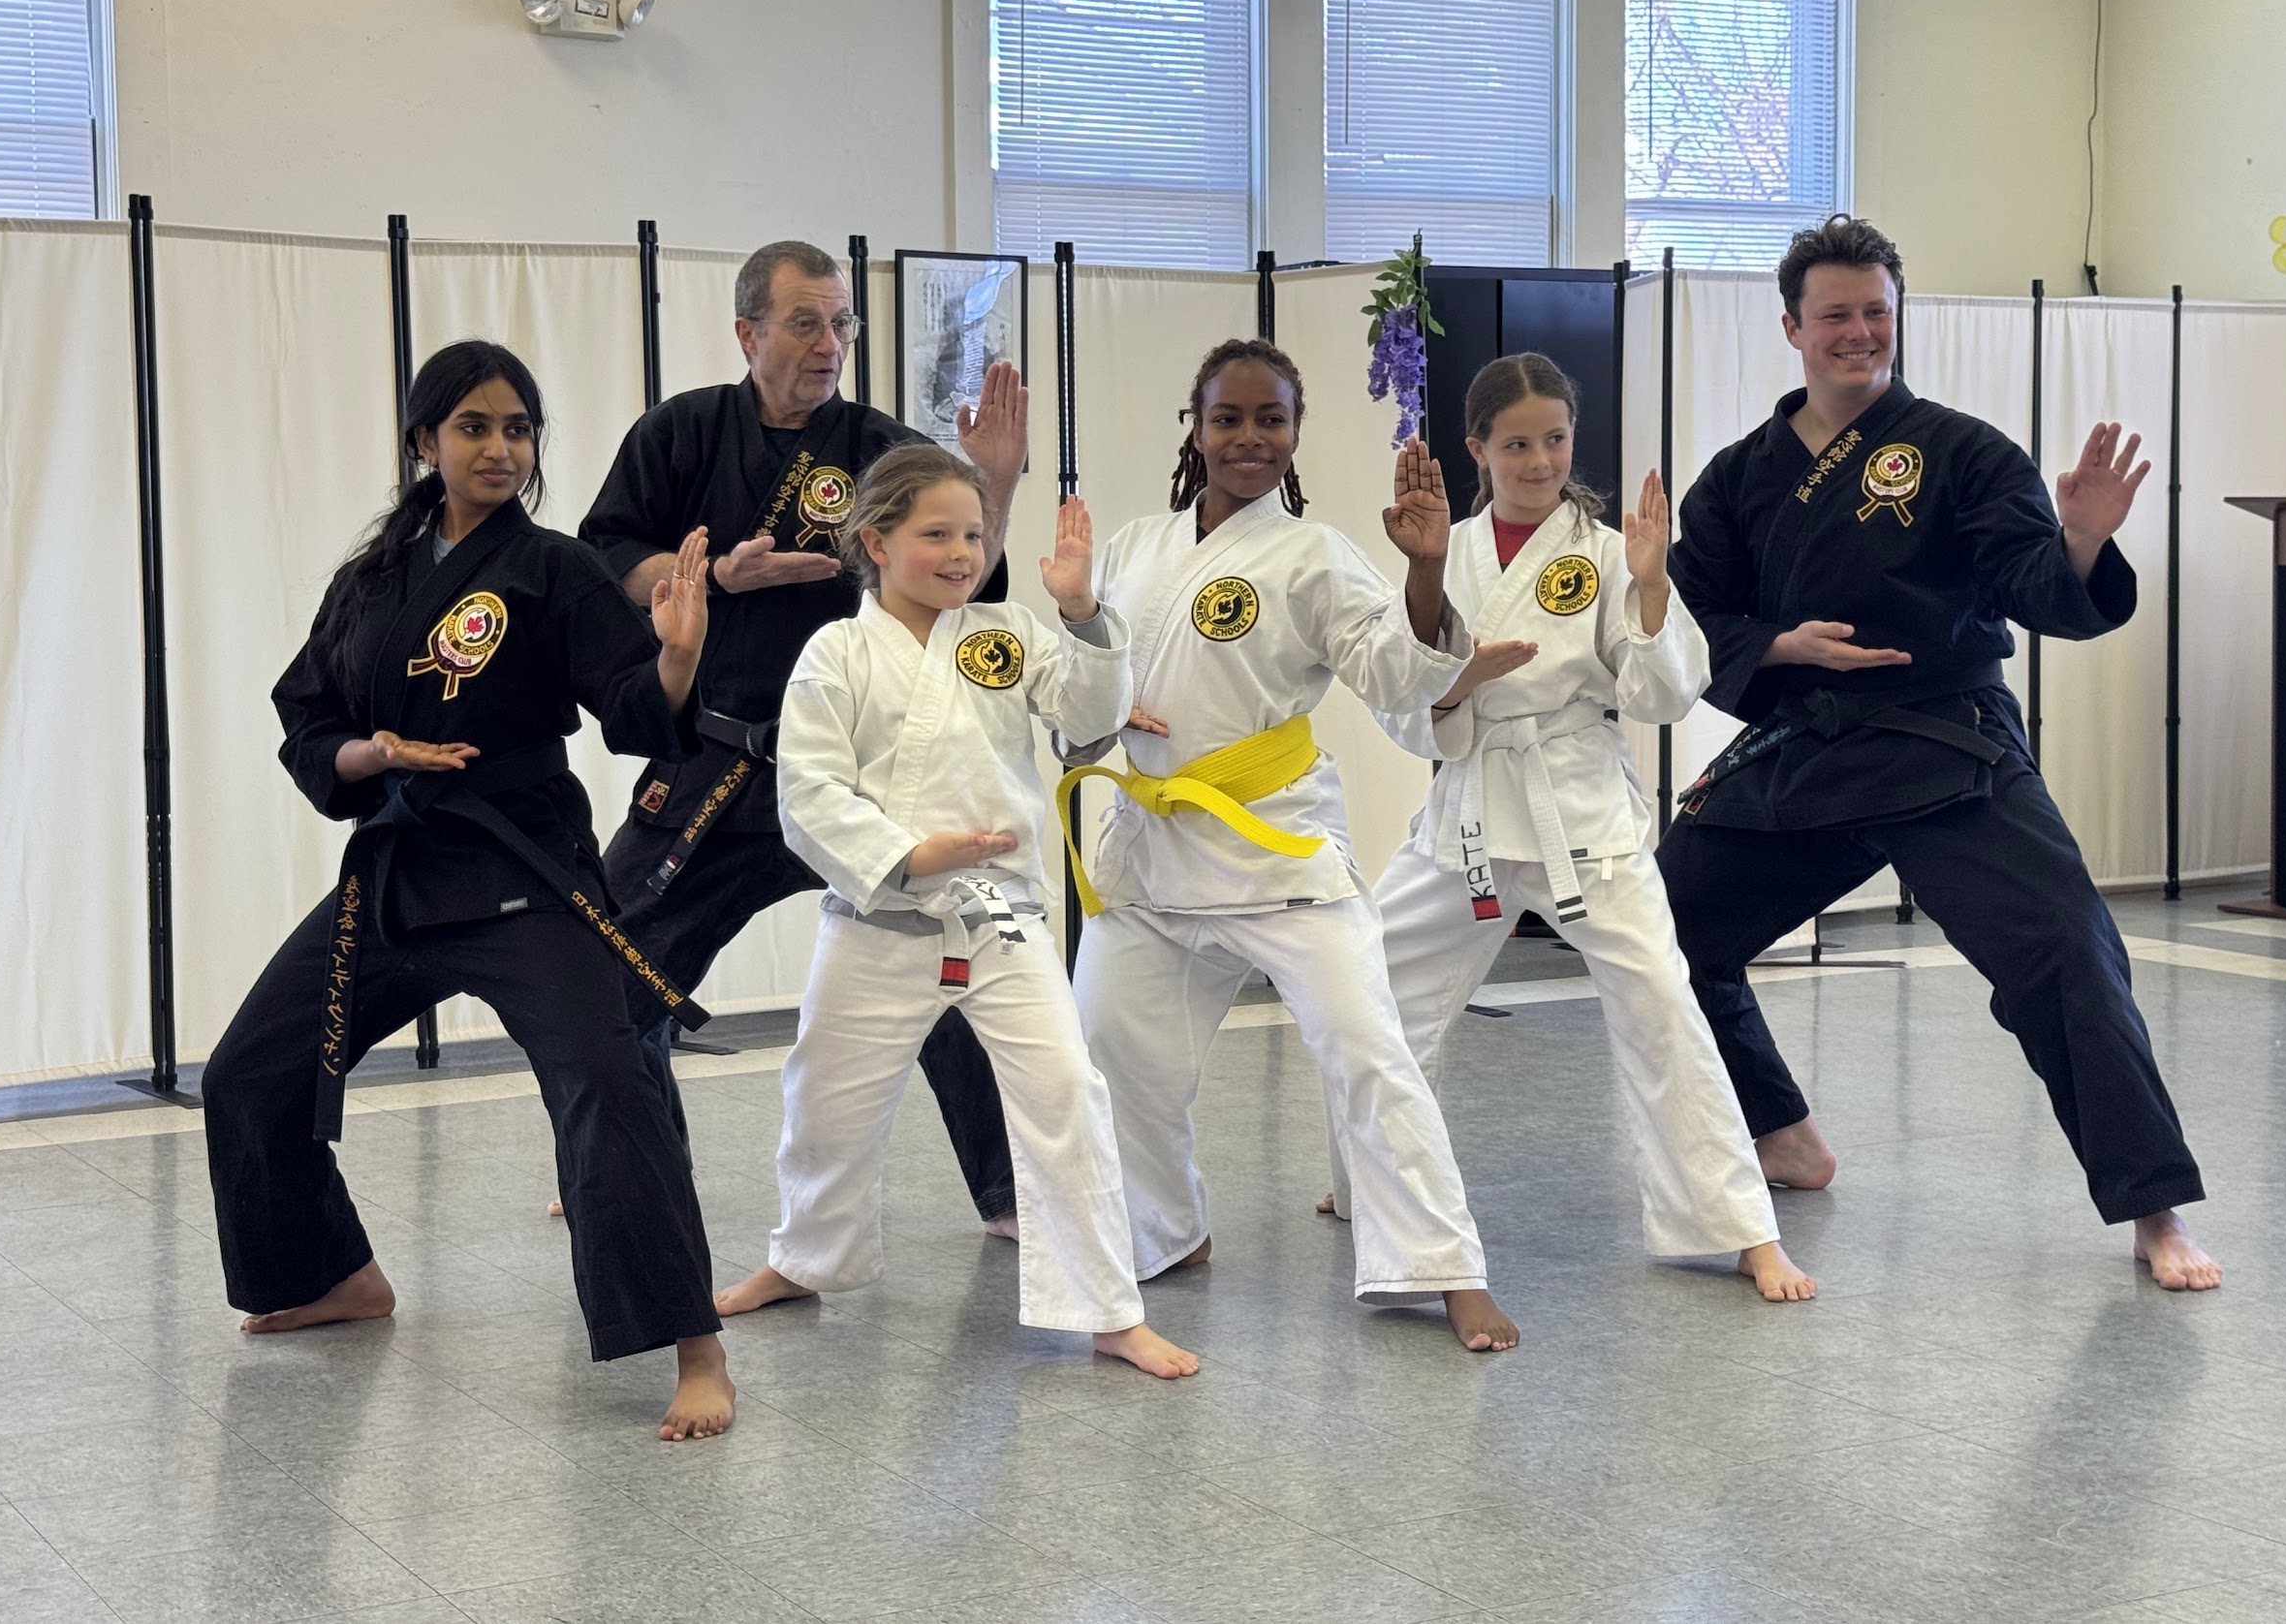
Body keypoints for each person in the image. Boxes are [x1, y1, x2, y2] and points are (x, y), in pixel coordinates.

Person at [1656, 214, 2219, 1292]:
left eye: (1875, 311)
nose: (1858, 333)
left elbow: (2031, 582)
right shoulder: (1737, 478)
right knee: (1662, 932)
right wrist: (1777, 644)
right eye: (1836, 315)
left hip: (1945, 746)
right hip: (1806, 746)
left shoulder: (1961, 451)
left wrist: (2082, 541)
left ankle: (2154, 1211)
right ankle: (1780, 1130)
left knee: (2069, 951)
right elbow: (1691, 616)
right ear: (1792, 327)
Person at [202, 340, 737, 1440]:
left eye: (519, 428)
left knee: (607, 1076)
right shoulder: (373, 580)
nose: (501, 447)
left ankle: (697, 1347)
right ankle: (334, 1274)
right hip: (400, 863)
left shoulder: (552, 567)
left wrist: (677, 661)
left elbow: (630, 702)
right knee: (251, 1069)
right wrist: (371, 756)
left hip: (521, 867)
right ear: (425, 441)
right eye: (476, 427)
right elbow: (310, 718)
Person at [1059, 338, 1533, 1352]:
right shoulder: (1134, 546)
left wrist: (1425, 565)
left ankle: (1442, 1267)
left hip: (1275, 846)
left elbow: (1396, 673)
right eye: (1227, 417)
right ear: (1194, 425)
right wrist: (1080, 644)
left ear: (1294, 434)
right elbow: (1084, 698)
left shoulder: (1314, 554)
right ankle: (1161, 1228)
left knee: (1368, 1050)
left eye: (1269, 419)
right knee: (1107, 1054)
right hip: (1149, 846)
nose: (1248, 437)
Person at [713, 447, 1198, 1380]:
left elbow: (1089, 718)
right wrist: (906, 853)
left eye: (973, 534)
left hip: (1001, 916)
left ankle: (1104, 1308)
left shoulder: (1008, 631)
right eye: (935, 533)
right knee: (824, 1102)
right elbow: (807, 792)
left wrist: (1083, 612)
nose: (960, 552)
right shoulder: (837, 652)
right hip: (877, 918)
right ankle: (804, 1257)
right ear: (876, 543)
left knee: (1066, 1093)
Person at [1340, 354, 1813, 1301]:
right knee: (1364, 991)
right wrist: (1464, 673)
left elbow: (1664, 691)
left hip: (1581, 819)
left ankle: (1740, 1229)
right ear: (1476, 448)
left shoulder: (1602, 550)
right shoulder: (1449, 547)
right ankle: (1369, 1180)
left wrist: (1646, 584)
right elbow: (1401, 702)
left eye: (1554, 438)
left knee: (1664, 1012)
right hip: (1469, 814)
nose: (1538, 459)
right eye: (1515, 442)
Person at [578, 239, 1027, 1233]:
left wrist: (994, 487)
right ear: (747, 332)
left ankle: (1007, 1194)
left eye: (841, 325)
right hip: (718, 763)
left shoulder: (884, 449)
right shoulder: (682, 432)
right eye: (804, 323)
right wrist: (703, 580)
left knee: (949, 969)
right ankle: (632, 1166)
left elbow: (970, 583)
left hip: (864, 768)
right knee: (611, 975)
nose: (829, 345)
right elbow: (601, 549)